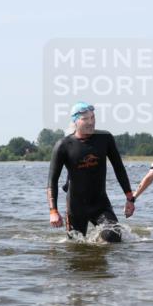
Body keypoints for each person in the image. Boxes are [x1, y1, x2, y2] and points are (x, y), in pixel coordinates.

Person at [47, 101, 135, 242]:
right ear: (75, 121)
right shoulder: (63, 145)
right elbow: (52, 180)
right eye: (85, 119)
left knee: (113, 236)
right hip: (75, 208)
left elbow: (119, 168)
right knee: (75, 248)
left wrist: (130, 199)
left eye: (93, 118)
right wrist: (53, 211)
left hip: (100, 204)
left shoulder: (105, 139)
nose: (90, 122)